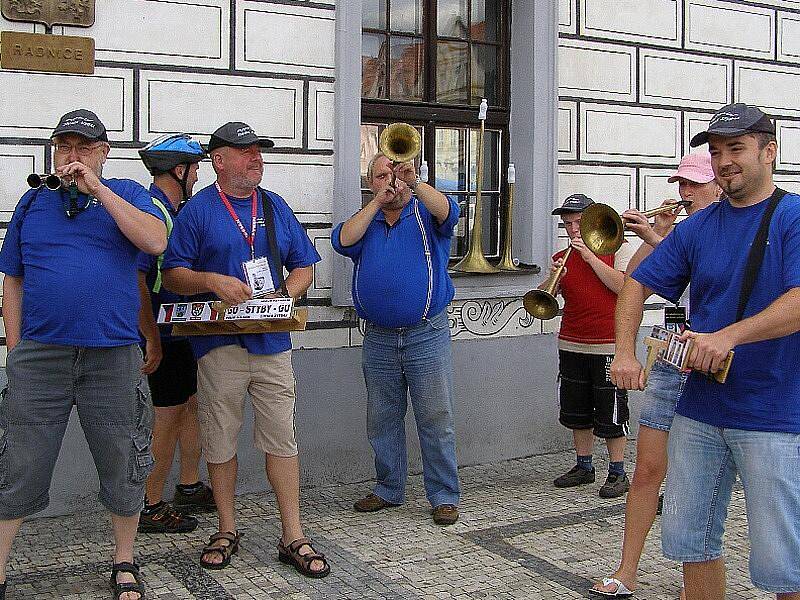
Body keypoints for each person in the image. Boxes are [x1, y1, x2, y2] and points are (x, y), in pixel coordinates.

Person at [612, 103, 800, 600]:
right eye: (716, 152)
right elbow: (635, 286)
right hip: (700, 410)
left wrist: (728, 336)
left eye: (736, 149)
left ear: (770, 152)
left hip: (774, 412)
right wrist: (624, 353)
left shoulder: (793, 217)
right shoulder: (699, 226)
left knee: (784, 560)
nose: (724, 161)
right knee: (690, 540)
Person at [0, 109, 168, 600]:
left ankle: (124, 561)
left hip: (111, 356)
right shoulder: (34, 202)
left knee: (123, 460)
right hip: (41, 356)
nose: (71, 157)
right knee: (18, 465)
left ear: (103, 152)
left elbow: (155, 239)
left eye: (83, 147)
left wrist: (99, 189)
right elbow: (13, 279)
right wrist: (17, 348)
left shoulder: (131, 195)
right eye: (64, 147)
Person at [161, 122, 330, 578]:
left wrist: (287, 297)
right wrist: (212, 281)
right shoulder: (198, 211)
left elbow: (305, 264)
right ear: (218, 161)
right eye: (245, 152)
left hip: (272, 343)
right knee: (219, 438)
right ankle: (227, 527)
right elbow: (173, 274)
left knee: (282, 436)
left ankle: (292, 534)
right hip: (219, 346)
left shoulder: (273, 205)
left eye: (259, 151)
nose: (256, 158)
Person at [591, 152, 722, 597]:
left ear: (719, 186)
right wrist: (654, 236)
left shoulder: (729, 230)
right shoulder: (680, 231)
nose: (684, 194)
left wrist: (655, 234)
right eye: (681, 184)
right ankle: (626, 571)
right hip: (670, 353)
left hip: (711, 359)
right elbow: (635, 279)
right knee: (648, 469)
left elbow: (706, 276)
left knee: (694, 477)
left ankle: (696, 581)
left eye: (694, 185)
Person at [331, 152, 461, 526]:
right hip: (379, 339)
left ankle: (443, 495)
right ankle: (389, 488)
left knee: (436, 417)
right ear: (370, 182)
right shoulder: (367, 220)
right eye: (381, 175)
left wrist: (415, 182)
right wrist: (377, 202)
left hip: (426, 335)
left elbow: (449, 211)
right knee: (382, 418)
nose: (391, 180)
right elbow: (341, 240)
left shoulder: (424, 214)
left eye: (396, 172)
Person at [136, 134, 216, 535]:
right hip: (163, 332)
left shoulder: (174, 209)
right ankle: (150, 503)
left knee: (190, 404)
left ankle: (187, 484)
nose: (199, 174)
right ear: (179, 171)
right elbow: (139, 280)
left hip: (181, 327)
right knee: (166, 417)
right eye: (195, 168)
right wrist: (150, 337)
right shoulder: (154, 211)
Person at [547, 194, 634, 499]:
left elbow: (624, 287)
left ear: (592, 221)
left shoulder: (619, 249)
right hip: (572, 340)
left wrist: (590, 258)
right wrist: (554, 280)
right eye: (567, 223)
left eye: (577, 222)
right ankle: (584, 466)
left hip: (608, 342)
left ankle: (618, 471)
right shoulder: (563, 256)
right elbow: (551, 300)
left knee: (611, 410)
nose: (571, 229)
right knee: (576, 409)